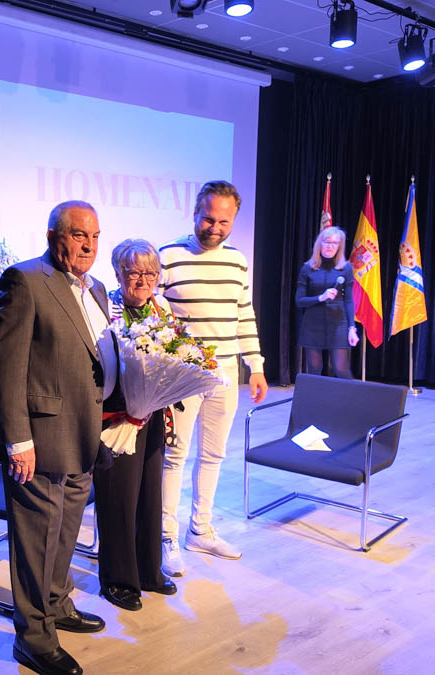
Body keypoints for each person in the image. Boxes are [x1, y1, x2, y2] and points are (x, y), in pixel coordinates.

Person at [0, 200, 113, 675]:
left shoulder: (97, 288)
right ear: (53, 236)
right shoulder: (24, 280)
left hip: (84, 434)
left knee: (65, 532)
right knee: (37, 539)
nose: (89, 245)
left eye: (95, 236)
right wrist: (17, 439)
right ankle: (34, 638)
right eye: (79, 235)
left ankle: (57, 604)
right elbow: (5, 367)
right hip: (39, 440)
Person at [157, 180, 268, 577]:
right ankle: (165, 537)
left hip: (226, 372)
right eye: (208, 219)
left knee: (213, 455)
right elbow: (152, 315)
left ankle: (200, 530)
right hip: (181, 375)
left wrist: (255, 365)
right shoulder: (168, 255)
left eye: (224, 222)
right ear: (194, 213)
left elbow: (244, 313)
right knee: (174, 456)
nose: (215, 228)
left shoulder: (237, 261)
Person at [95, 239, 178, 612]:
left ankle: (148, 570)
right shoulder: (104, 310)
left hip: (153, 412)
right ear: (118, 273)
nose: (143, 280)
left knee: (149, 494)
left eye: (151, 273)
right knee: (119, 498)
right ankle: (118, 579)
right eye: (134, 272)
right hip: (116, 416)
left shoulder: (162, 309)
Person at [295, 226, 359, 379]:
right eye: (326, 242)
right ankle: (314, 395)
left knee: (341, 368)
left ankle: (351, 395)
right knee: (314, 368)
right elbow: (299, 301)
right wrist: (320, 297)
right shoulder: (308, 268)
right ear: (320, 244)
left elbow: (349, 300)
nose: (330, 246)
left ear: (339, 246)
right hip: (312, 324)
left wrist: (352, 328)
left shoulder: (345, 269)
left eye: (334, 243)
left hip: (338, 324)